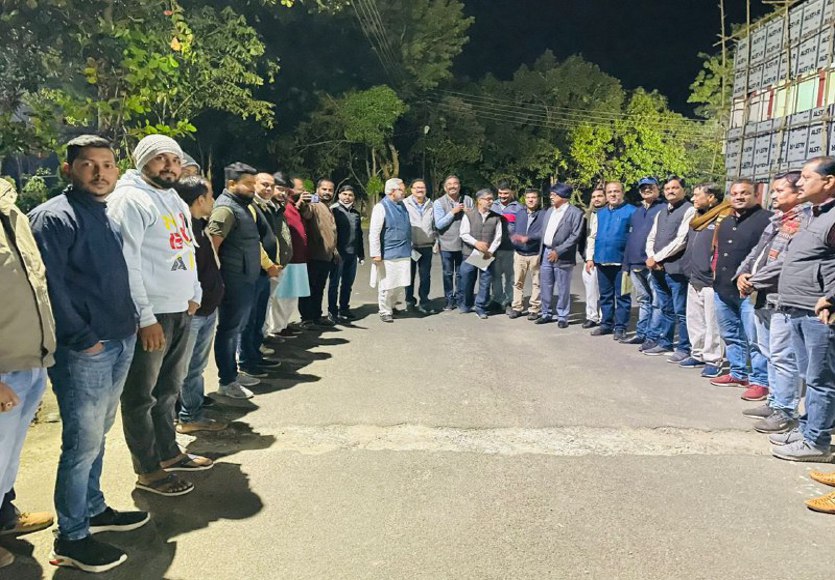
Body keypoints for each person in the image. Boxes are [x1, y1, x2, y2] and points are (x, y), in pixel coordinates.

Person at [29, 136, 148, 572]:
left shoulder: (104, 212)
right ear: (68, 170)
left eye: (108, 164)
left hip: (118, 339)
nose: (100, 173)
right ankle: (71, 536)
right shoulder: (53, 217)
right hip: (86, 349)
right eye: (88, 165)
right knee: (81, 444)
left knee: (98, 435)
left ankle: (93, 509)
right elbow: (49, 286)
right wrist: (82, 338)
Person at [107, 134, 211, 498]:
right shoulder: (129, 199)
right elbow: (128, 263)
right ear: (142, 161)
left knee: (168, 389)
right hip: (152, 315)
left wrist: (194, 292)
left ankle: (168, 452)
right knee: (141, 396)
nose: (169, 165)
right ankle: (148, 470)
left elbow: (186, 249)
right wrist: (145, 317)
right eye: (160, 158)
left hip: (179, 309)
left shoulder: (173, 198)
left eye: (175, 159)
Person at [0, 178, 56, 569]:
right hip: (4, 370)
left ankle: (4, 516)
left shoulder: (13, 211)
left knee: (7, 461)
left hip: (31, 361)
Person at [770, 156, 835, 465]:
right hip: (797, 306)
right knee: (809, 377)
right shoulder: (814, 214)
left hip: (818, 311)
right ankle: (808, 429)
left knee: (821, 380)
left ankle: (817, 442)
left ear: (829, 181)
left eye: (807, 177)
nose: (799, 183)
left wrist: (832, 297)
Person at [736, 172, 805, 430]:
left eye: (779, 191)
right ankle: (775, 401)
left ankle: (786, 411)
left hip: (782, 298)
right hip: (763, 296)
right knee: (768, 352)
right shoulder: (776, 220)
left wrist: (754, 280)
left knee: (783, 356)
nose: (773, 195)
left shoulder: (803, 222)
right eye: (773, 191)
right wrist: (742, 274)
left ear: (798, 193)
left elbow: (785, 263)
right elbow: (757, 253)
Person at [209, 163, 277, 396]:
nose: (252, 188)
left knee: (237, 328)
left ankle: (234, 373)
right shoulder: (225, 209)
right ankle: (227, 381)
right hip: (233, 281)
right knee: (228, 331)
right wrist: (216, 282)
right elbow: (213, 247)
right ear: (231, 184)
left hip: (246, 278)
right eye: (248, 184)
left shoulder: (242, 207)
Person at [173, 176, 228, 434]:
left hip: (207, 309)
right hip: (193, 312)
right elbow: (178, 267)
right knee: (185, 368)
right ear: (199, 200)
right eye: (211, 196)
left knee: (195, 367)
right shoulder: (182, 230)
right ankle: (185, 417)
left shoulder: (201, 225)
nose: (214, 201)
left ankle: (191, 413)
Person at [710, 178, 772, 398]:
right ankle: (738, 373)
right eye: (734, 193)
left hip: (749, 291)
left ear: (756, 195)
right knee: (730, 334)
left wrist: (755, 281)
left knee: (755, 339)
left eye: (744, 193)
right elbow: (718, 252)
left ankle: (760, 381)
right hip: (723, 288)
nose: (738, 197)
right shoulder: (726, 221)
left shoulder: (767, 220)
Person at [679, 183, 730, 378]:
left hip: (710, 280)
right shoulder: (697, 218)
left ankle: (713, 359)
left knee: (712, 323)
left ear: (711, 198)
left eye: (697, 195)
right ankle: (698, 353)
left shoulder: (723, 216)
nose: (693, 199)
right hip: (694, 277)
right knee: (695, 320)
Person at [643, 176, 696, 360]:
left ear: (683, 190)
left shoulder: (689, 210)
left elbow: (681, 240)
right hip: (657, 268)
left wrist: (657, 257)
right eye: (667, 189)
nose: (670, 191)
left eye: (675, 188)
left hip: (676, 268)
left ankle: (684, 347)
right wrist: (651, 257)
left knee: (681, 311)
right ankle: (665, 342)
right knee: (666, 307)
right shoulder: (661, 212)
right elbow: (651, 237)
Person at [237, 172, 282, 377]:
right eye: (264, 184)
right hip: (254, 271)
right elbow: (254, 241)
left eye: (271, 185)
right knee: (249, 320)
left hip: (264, 272)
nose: (268, 189)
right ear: (254, 184)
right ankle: (246, 361)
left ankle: (255, 355)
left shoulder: (266, 206)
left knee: (258, 318)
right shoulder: (250, 207)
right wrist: (269, 264)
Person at [587, 181, 636, 341]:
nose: (613, 194)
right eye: (610, 192)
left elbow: (634, 237)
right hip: (602, 260)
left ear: (622, 193)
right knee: (605, 295)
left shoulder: (632, 211)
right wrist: (590, 257)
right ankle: (606, 324)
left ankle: (620, 327)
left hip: (622, 263)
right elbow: (593, 236)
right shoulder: (600, 213)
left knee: (622, 296)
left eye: (616, 191)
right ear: (606, 195)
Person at [621, 177, 664, 345]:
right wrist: (626, 264)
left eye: (650, 187)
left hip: (653, 263)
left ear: (657, 188)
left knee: (657, 302)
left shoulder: (663, 209)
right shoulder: (637, 212)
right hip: (635, 263)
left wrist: (657, 259)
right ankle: (641, 333)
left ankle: (653, 336)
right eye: (643, 188)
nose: (647, 190)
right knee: (643, 300)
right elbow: (630, 238)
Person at [535, 183, 584, 328]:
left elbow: (575, 235)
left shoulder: (575, 213)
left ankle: (562, 316)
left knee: (563, 287)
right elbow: (543, 232)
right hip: (546, 252)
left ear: (563, 196)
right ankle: (546, 313)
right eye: (551, 194)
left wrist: (559, 251)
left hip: (563, 255)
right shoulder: (549, 211)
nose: (551, 197)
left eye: (554, 194)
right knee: (545, 285)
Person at [269, 173, 307, 337]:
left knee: (290, 296)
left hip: (295, 258)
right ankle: (275, 328)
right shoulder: (274, 208)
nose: (285, 193)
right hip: (280, 261)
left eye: (287, 190)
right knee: (280, 297)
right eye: (298, 189)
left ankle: (283, 324)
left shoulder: (287, 206)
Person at [369, 178, 412, 322]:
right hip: (388, 253)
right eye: (402, 190)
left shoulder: (402, 205)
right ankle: (384, 310)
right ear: (392, 191)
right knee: (387, 285)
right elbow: (374, 233)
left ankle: (392, 306)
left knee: (400, 283)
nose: (404, 192)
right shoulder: (381, 207)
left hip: (404, 251)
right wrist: (375, 254)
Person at [299, 179, 338, 328]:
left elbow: (331, 232)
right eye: (324, 189)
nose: (327, 192)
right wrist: (303, 203)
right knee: (309, 288)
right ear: (317, 190)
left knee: (319, 288)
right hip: (314, 255)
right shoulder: (314, 203)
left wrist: (334, 252)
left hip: (326, 256)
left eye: (330, 190)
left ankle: (316, 316)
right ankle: (306, 319)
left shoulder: (327, 207)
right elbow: (306, 212)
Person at [459, 189, 503, 319]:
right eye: (487, 199)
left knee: (485, 281)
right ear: (479, 200)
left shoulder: (496, 217)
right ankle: (466, 304)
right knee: (466, 279)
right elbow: (463, 233)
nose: (490, 201)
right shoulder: (469, 215)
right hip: (470, 252)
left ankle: (480, 307)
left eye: (491, 199)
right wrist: (476, 243)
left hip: (487, 254)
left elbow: (498, 236)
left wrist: (490, 251)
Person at [434, 175, 474, 310]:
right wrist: (452, 212)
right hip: (446, 244)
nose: (452, 186)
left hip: (465, 244)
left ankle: (460, 299)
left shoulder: (468, 200)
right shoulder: (439, 202)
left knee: (462, 273)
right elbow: (439, 224)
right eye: (449, 184)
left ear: (459, 186)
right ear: (445, 188)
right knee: (448, 274)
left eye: (455, 183)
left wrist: (469, 213)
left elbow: (475, 220)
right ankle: (449, 299)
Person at [264, 172, 297, 337]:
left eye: (285, 190)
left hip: (281, 263)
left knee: (276, 300)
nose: (282, 193)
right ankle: (265, 335)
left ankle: (272, 330)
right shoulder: (266, 209)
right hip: (269, 264)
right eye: (279, 189)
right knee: (266, 302)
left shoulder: (278, 209)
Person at [329, 184, 365, 320]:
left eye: (350, 195)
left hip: (352, 254)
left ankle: (344, 308)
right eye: (344, 194)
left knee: (347, 283)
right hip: (338, 254)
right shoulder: (333, 211)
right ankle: (332, 311)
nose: (347, 197)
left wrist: (361, 254)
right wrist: (333, 251)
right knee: (334, 284)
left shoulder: (356, 213)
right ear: (339, 195)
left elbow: (359, 234)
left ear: (354, 197)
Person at [509, 188, 544, 320]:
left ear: (538, 199)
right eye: (528, 197)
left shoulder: (544, 214)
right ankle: (517, 307)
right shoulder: (520, 213)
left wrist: (529, 238)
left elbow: (544, 232)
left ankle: (534, 309)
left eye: (533, 197)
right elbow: (513, 227)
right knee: (517, 282)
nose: (530, 200)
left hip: (535, 253)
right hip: (519, 253)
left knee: (537, 283)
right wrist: (513, 237)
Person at [404, 179, 436, 314]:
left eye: (422, 187)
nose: (419, 190)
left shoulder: (432, 205)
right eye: (416, 187)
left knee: (425, 277)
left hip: (426, 246)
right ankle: (409, 301)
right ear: (411, 190)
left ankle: (424, 301)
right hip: (410, 246)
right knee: (408, 276)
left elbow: (435, 225)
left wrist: (436, 241)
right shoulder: (404, 204)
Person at [490, 180, 522, 313]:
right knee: (495, 276)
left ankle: (509, 301)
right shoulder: (492, 206)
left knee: (510, 277)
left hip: (510, 248)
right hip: (494, 248)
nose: (502, 196)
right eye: (500, 193)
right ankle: (497, 301)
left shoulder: (518, 208)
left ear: (511, 192)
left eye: (505, 193)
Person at [581, 187, 606, 328]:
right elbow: (584, 237)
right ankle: (591, 316)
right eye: (594, 196)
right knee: (590, 290)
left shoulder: (609, 213)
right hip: (589, 258)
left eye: (600, 196)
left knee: (604, 291)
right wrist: (586, 256)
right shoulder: (588, 215)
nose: (596, 199)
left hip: (605, 257)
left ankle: (604, 317)